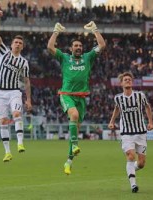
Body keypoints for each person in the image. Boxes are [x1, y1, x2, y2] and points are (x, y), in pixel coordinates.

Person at [47, 21, 106, 175]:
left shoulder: (88, 57)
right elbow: (50, 47)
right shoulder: (65, 58)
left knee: (76, 129)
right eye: (76, 46)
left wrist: (94, 29)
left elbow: (102, 44)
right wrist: (55, 31)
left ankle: (69, 161)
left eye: (80, 46)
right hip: (66, 95)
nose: (78, 47)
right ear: (71, 49)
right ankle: (74, 145)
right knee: (73, 115)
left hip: (81, 98)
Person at [0, 10, 32, 162]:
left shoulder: (24, 62)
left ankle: (20, 143)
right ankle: (7, 152)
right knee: (3, 121)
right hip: (0, 93)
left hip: (15, 91)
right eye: (16, 42)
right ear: (11, 44)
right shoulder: (3, 52)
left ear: (22, 47)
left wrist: (28, 100)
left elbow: (27, 81)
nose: (18, 44)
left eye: (20, 43)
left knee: (16, 114)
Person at [108, 72, 153, 193]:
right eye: (125, 80)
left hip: (141, 132)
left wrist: (150, 122)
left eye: (129, 79)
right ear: (121, 83)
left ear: (132, 82)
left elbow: (147, 107)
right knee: (131, 156)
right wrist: (112, 121)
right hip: (126, 132)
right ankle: (133, 185)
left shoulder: (140, 96)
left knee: (142, 163)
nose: (127, 81)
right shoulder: (118, 98)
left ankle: (130, 169)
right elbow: (117, 108)